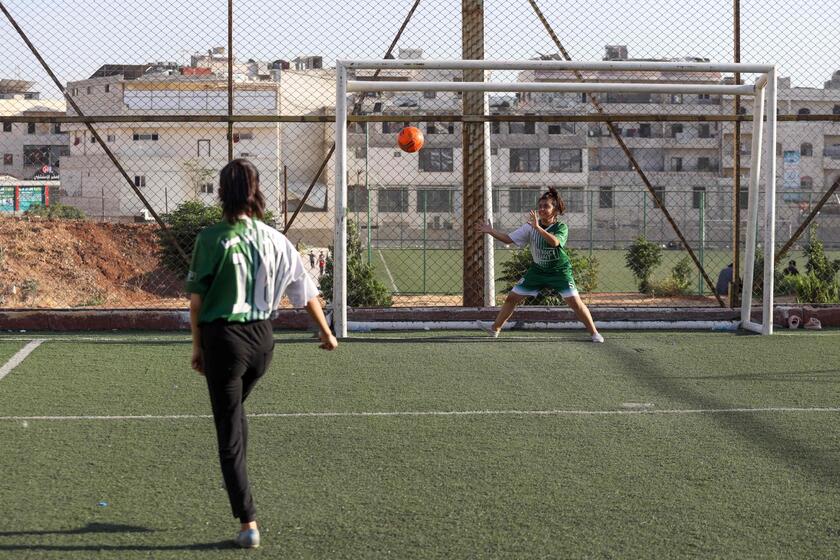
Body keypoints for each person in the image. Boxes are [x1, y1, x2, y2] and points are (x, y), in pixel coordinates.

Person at [186, 159, 338, 549]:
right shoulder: (276, 239)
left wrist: (197, 345)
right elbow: (305, 291)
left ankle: (248, 522)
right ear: (256, 192)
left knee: (228, 434)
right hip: (262, 343)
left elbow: (197, 301)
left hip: (225, 339)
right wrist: (326, 333)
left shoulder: (211, 238)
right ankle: (243, 492)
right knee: (235, 415)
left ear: (221, 193)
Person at [475, 186, 604, 343]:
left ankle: (594, 333)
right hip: (538, 271)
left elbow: (555, 242)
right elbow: (508, 239)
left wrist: (538, 228)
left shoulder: (561, 227)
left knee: (575, 303)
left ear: (555, 210)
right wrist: (490, 231)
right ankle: (495, 329)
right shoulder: (530, 227)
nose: (542, 209)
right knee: (512, 298)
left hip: (559, 271)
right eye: (540, 206)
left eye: (546, 206)